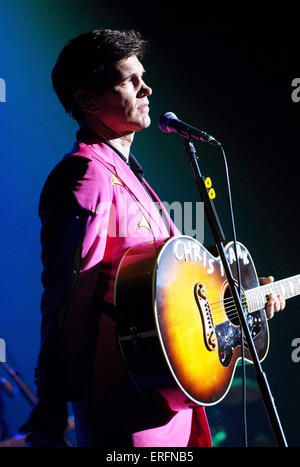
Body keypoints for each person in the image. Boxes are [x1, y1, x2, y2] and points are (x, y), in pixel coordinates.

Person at [21, 29, 286, 448]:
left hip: (171, 400)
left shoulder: (131, 175)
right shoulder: (85, 173)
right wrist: (53, 403)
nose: (147, 88)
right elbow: (67, 296)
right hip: (129, 405)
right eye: (130, 80)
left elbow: (170, 300)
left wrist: (241, 309)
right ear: (89, 101)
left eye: (143, 76)